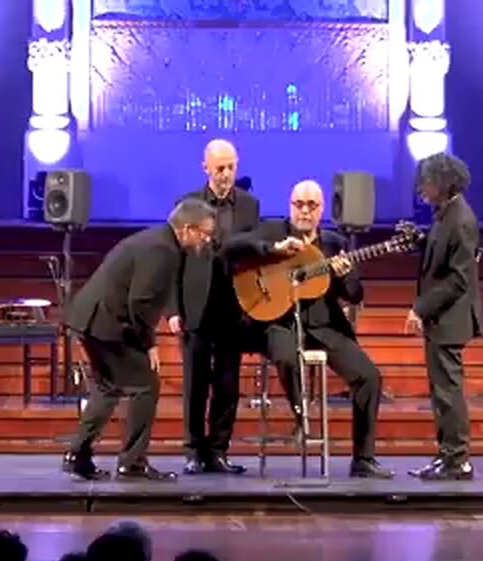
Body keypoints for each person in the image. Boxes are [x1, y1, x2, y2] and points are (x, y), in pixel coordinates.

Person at [226, 180, 393, 479]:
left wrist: (343, 276)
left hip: (325, 325)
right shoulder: (273, 231)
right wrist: (272, 249)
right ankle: (301, 416)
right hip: (278, 322)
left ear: (322, 209)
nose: (304, 211)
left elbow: (355, 295)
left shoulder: (334, 243)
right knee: (288, 357)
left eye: (311, 205)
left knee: (369, 376)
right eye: (298, 205)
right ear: (290, 206)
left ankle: (363, 459)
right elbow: (231, 247)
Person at [61, 198, 216, 482]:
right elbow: (141, 303)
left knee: (108, 387)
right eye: (203, 233)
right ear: (186, 229)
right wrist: (149, 344)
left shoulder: (160, 241)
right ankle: (132, 462)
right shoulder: (163, 249)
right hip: (106, 321)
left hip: (93, 318)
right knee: (145, 384)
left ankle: (77, 454)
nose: (206, 239)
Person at [169, 139, 261, 475]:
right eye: (219, 168)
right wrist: (172, 310)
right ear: (205, 167)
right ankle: (194, 450)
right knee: (196, 383)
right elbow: (173, 259)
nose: (226, 174)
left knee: (227, 383)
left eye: (231, 167)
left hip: (233, 307)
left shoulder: (250, 206)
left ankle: (219, 449)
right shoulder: (187, 204)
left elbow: (254, 257)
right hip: (194, 305)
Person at [407, 152, 483, 480]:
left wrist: (420, 308)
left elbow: (458, 278)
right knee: (441, 391)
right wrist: (419, 240)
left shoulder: (462, 219)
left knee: (448, 392)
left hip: (449, 319)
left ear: (443, 182)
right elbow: (440, 254)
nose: (422, 189)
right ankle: (447, 455)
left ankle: (457, 459)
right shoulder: (445, 214)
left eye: (427, 182)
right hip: (441, 320)